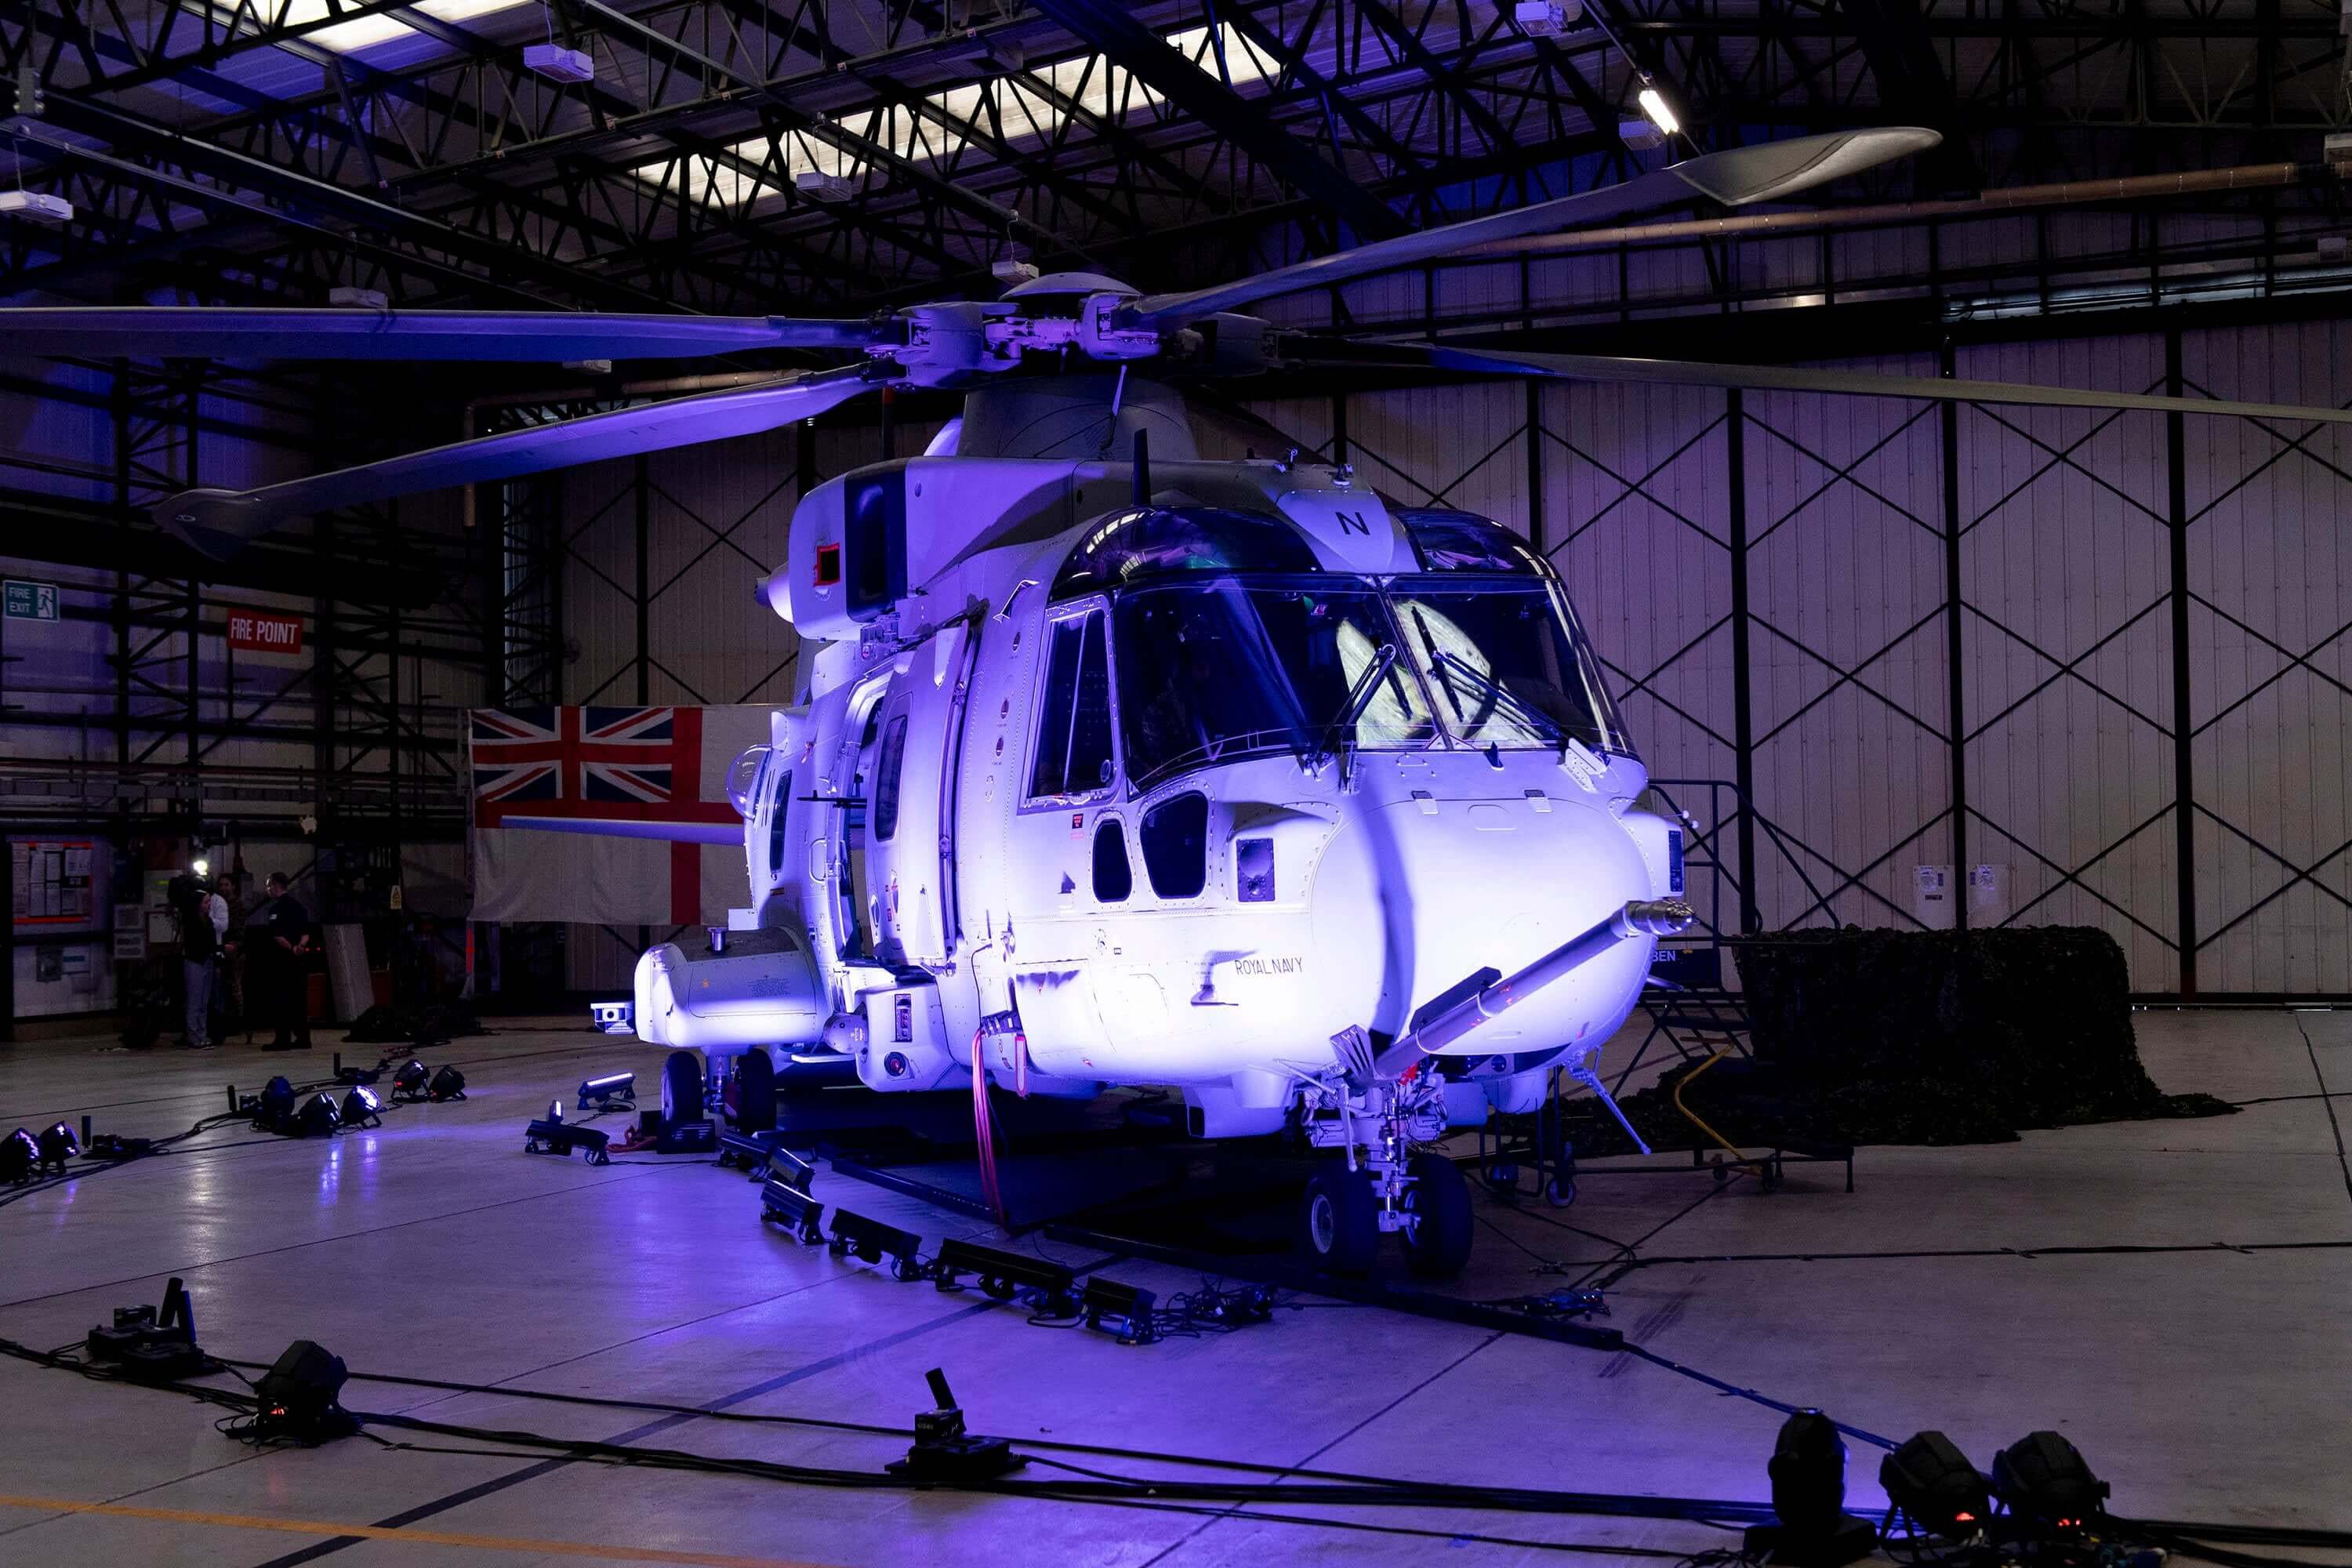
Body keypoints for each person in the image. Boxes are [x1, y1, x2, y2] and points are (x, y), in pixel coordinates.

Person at [249, 873, 316, 1051]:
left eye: (269, 885)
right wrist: (300, 947)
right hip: (299, 962)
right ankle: (303, 1038)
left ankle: (283, 1039)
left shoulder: (275, 910)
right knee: (299, 1000)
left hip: (282, 962)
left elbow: (278, 936)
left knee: (281, 1000)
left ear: (276, 886)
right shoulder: (300, 907)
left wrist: (292, 948)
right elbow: (306, 934)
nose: (268, 889)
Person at [176, 872, 228, 1051]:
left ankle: (202, 1033)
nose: (208, 906)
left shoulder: (208, 921)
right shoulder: (192, 922)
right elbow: (195, 943)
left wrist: (216, 953)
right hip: (195, 962)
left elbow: (212, 940)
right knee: (194, 1000)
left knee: (204, 1001)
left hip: (207, 961)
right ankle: (193, 1036)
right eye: (206, 903)